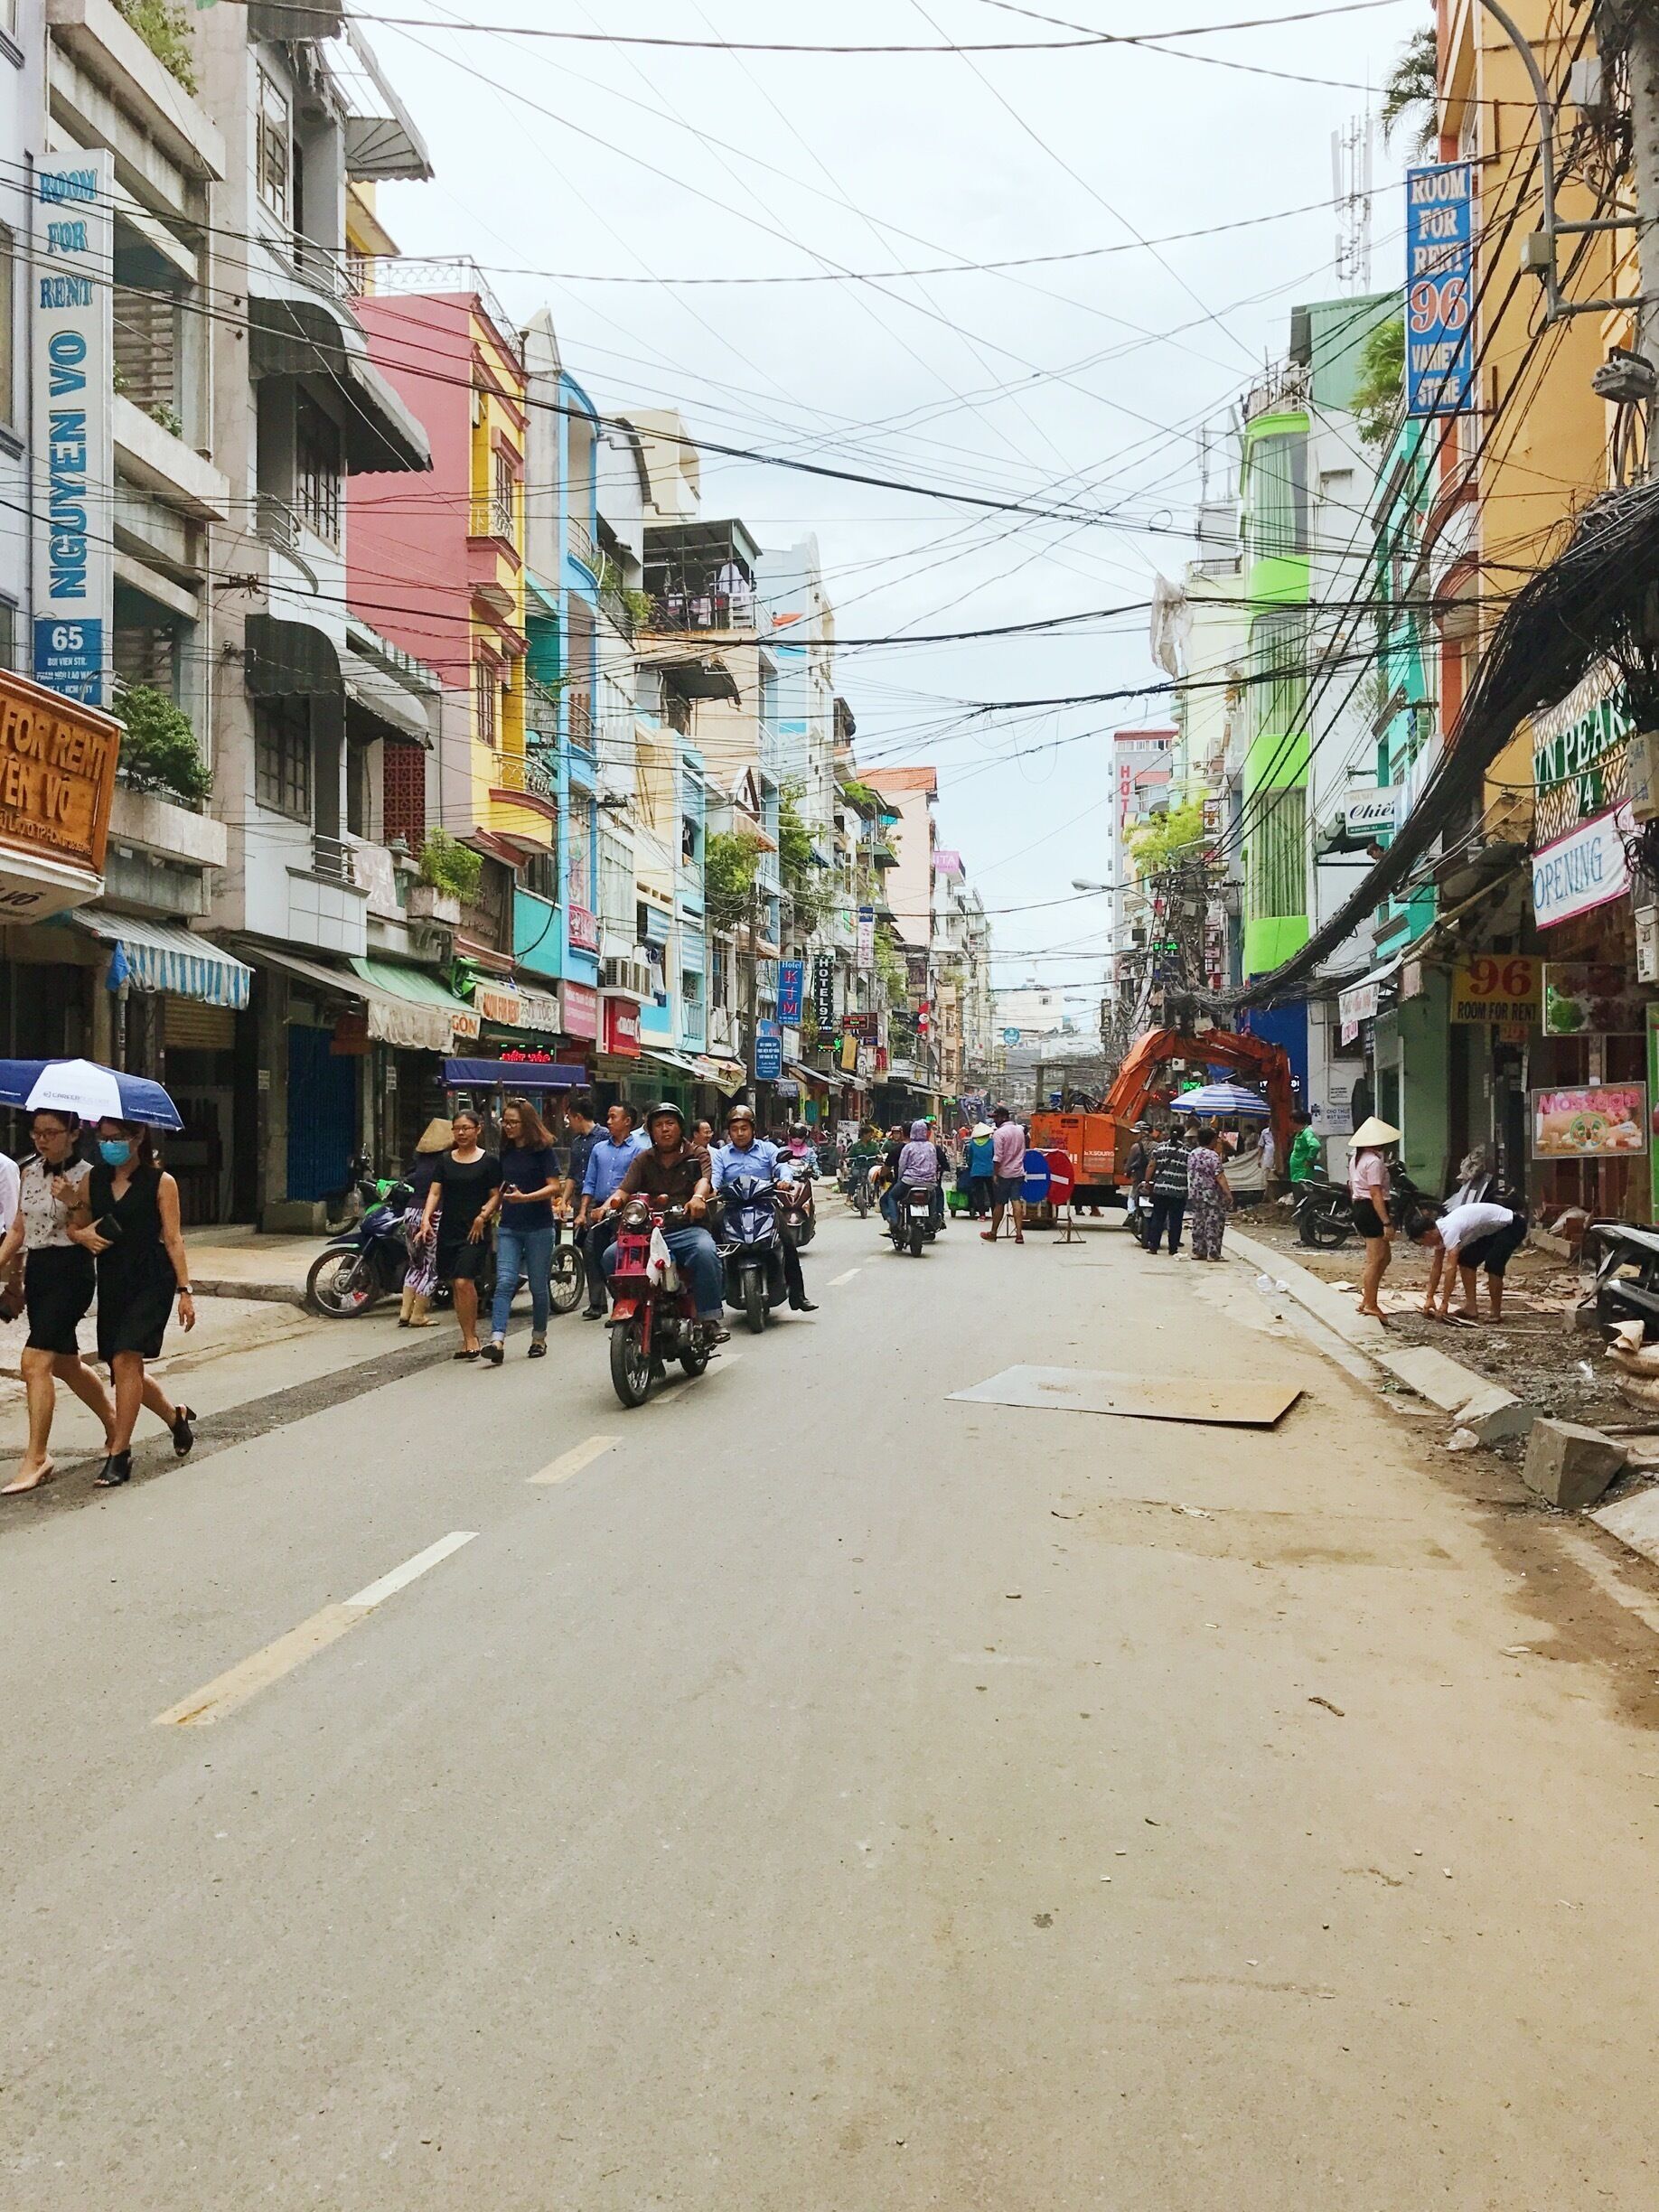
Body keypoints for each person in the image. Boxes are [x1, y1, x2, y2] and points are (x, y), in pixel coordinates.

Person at [72, 1119, 198, 1489]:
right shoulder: (91, 1181)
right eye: (103, 1138)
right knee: (123, 1368)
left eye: (117, 1138)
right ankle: (176, 1418)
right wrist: (83, 1235)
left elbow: (174, 1239)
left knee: (128, 1357)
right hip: (112, 1279)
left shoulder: (162, 1182)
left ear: (138, 1137)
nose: (108, 1145)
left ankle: (120, 1453)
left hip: (151, 1279)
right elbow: (75, 1226)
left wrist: (185, 1290)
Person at [0, 1111, 117, 1493]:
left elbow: (99, 1229)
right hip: (40, 1271)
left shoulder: (91, 1175)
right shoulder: (28, 1171)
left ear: (73, 1133)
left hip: (72, 1270)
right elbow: (18, 1229)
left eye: (51, 1132)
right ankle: (116, 1426)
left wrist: (73, 1202)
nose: (41, 1140)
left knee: (34, 1362)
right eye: (36, 1132)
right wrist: (9, 1272)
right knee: (66, 1363)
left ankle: (37, 1457)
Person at [598, 1101, 727, 1341]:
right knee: (609, 1256)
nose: (665, 1129)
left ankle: (710, 1318)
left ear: (679, 1127)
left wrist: (698, 1198)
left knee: (705, 1252)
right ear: (650, 1130)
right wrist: (607, 1206)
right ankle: (630, 1309)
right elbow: (623, 1190)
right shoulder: (643, 1159)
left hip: (687, 1227)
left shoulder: (696, 1153)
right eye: (658, 1125)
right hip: (648, 1231)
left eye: (670, 1123)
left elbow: (704, 1181)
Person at [478, 1096, 561, 1364]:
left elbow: (554, 1187)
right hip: (510, 1225)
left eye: (513, 1122)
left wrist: (526, 1197)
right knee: (504, 1282)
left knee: (538, 1286)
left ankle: (538, 1337)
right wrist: (489, 1210)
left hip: (539, 1226)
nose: (508, 1127)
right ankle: (497, 1340)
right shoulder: (507, 1151)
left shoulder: (543, 1150)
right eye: (505, 1122)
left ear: (527, 1123)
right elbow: (503, 1186)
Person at [713, 1103, 817, 1311]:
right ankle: (715, 1299)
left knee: (788, 1243)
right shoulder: (721, 1154)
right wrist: (712, 1190)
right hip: (733, 1207)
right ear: (729, 1132)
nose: (740, 1133)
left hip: (765, 1205)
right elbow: (715, 1178)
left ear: (753, 1129)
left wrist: (784, 1180)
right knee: (712, 1242)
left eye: (744, 1128)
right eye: (735, 1129)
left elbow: (781, 1167)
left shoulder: (768, 1149)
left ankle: (798, 1296)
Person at [418, 1108, 500, 1360]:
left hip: (475, 1231)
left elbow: (496, 1195)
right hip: (449, 1229)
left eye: (466, 1128)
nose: (461, 1133)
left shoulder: (489, 1162)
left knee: (465, 1280)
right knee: (455, 1283)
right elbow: (434, 1193)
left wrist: (483, 1217)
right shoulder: (444, 1161)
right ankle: (466, 1338)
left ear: (478, 1129)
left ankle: (473, 1337)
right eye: (457, 1129)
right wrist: (425, 1220)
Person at [577, 1101, 648, 1317]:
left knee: (619, 1257)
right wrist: (582, 1212)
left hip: (627, 1212)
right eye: (608, 1117)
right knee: (592, 1252)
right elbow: (589, 1181)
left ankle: (621, 1302)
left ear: (627, 1121)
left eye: (613, 1117)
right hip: (599, 1210)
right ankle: (597, 1303)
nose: (608, 1121)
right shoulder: (599, 1149)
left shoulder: (639, 1150)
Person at [1410, 1196, 1528, 1321]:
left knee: (1494, 1263)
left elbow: (1451, 1269)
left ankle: (1495, 1312)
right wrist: (1430, 1297)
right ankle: (1471, 1308)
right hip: (1493, 1230)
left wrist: (1445, 1304)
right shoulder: (1439, 1232)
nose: (1426, 1246)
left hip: (1512, 1224)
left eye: (1423, 1243)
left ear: (1428, 1234)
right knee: (1466, 1259)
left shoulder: (1449, 1229)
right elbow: (1436, 1266)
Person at [398, 1118, 452, 1328]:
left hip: (411, 1211)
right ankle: (418, 1315)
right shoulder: (446, 1161)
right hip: (432, 1215)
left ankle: (405, 1312)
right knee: (430, 1267)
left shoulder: (420, 1161)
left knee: (415, 1264)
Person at [1346, 1115, 1400, 1322]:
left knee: (1384, 1257)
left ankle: (1368, 1298)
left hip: (1362, 1206)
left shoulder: (1357, 1158)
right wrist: (1386, 1221)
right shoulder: (1374, 1162)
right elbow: (1376, 1192)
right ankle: (1370, 1302)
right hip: (1371, 1208)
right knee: (1376, 1259)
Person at [1186, 1122, 1233, 1261]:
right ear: (1212, 1140)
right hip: (1211, 1195)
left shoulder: (1192, 1154)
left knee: (1198, 1222)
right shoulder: (1213, 1156)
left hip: (1196, 1193)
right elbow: (1219, 1176)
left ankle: (1198, 1250)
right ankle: (1213, 1253)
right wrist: (1228, 1193)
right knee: (1213, 1223)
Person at [982, 1104, 1027, 1245]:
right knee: (1016, 1202)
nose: (994, 1121)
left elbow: (998, 1157)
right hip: (1018, 1172)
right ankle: (1019, 1234)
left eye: (996, 1118)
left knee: (1000, 1203)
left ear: (1003, 1118)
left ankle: (994, 1232)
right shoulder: (1019, 1131)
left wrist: (995, 1174)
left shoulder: (999, 1134)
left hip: (1004, 1173)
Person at [1144, 1122, 1191, 1256]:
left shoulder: (1160, 1148)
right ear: (1183, 1135)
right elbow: (1190, 1172)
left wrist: (1147, 1182)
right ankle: (1173, 1248)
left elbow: (1151, 1165)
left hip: (1160, 1190)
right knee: (1176, 1221)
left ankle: (1153, 1246)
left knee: (1158, 1218)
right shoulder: (1187, 1152)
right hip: (1179, 1192)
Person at [558, 1092, 600, 1219]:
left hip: (596, 1199)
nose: (569, 1124)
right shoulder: (576, 1142)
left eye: (570, 1118)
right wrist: (564, 1200)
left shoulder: (604, 1137)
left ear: (578, 1117)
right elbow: (572, 1173)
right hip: (578, 1198)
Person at [964, 1120, 995, 1218]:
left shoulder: (973, 1144)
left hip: (976, 1171)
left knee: (979, 1193)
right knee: (991, 1192)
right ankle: (995, 1213)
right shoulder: (992, 1143)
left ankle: (982, 1215)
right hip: (990, 1171)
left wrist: (971, 1166)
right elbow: (995, 1157)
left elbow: (970, 1159)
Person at [1287, 1111, 1322, 1186]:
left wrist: (1309, 1159)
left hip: (1303, 1173)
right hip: (1297, 1173)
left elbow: (1315, 1145)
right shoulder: (1299, 1133)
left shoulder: (1307, 1132)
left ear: (1292, 1121)